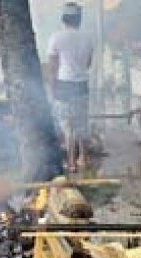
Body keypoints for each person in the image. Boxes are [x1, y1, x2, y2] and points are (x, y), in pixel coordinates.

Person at [47, 2, 94, 172]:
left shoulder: (56, 37)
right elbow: (88, 64)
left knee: (68, 126)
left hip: (63, 85)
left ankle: (71, 162)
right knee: (81, 124)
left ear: (63, 18)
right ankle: (83, 158)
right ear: (78, 19)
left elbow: (52, 67)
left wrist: (51, 89)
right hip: (81, 84)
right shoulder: (87, 38)